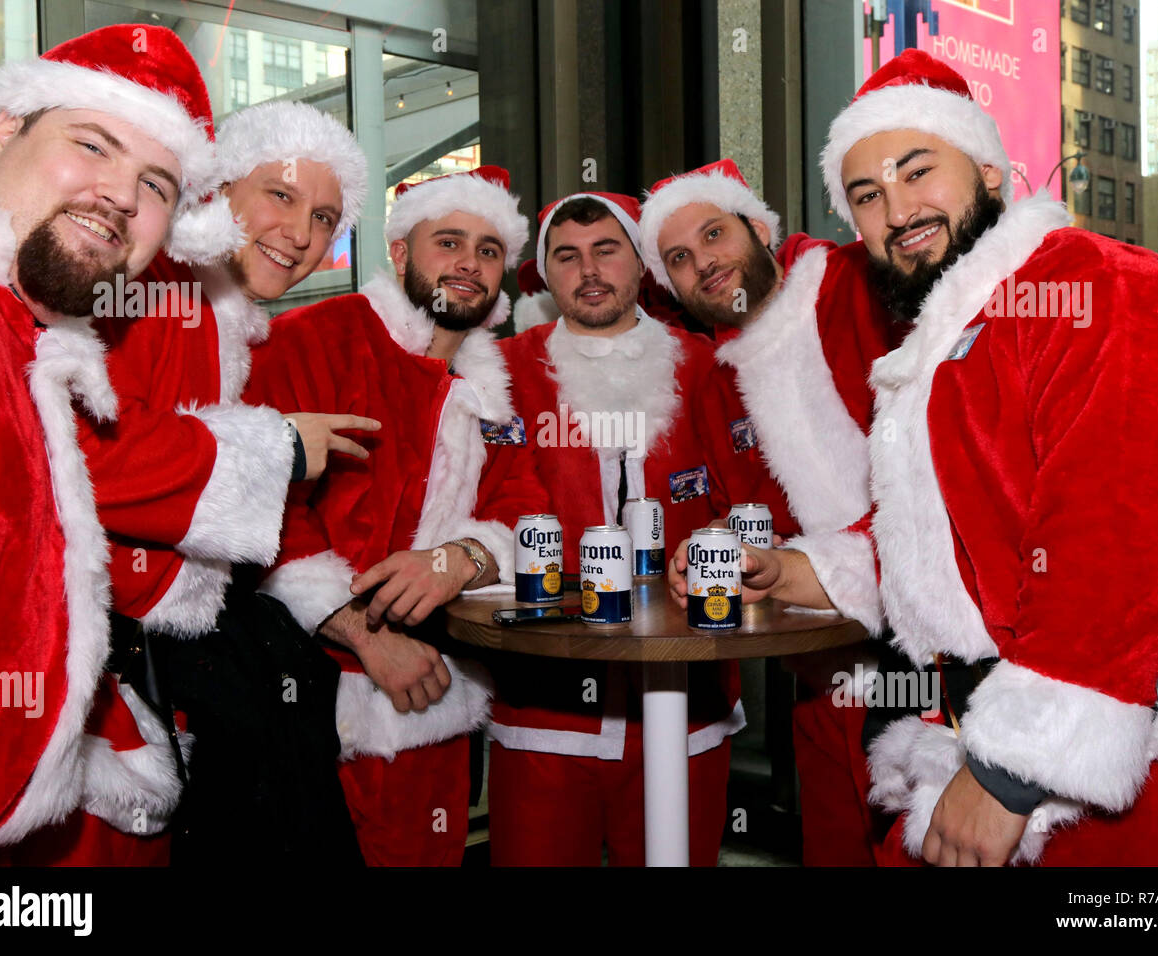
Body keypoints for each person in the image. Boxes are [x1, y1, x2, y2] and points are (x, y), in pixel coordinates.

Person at [679, 49, 1158, 866]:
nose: (897, 209)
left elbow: (1117, 537)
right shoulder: (950, 344)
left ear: (985, 167)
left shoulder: (1098, 285)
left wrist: (1014, 771)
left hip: (1126, 778)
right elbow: (953, 533)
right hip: (968, 743)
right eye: (867, 195)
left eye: (917, 172)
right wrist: (799, 571)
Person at [0, 24, 227, 863]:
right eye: (93, 145)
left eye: (155, 184)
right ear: (3, 134)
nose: (119, 196)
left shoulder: (20, 329)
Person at [248, 165, 545, 865]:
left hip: (438, 694)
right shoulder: (311, 338)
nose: (470, 262)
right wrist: (364, 634)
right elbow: (259, 506)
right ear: (403, 252)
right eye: (449, 242)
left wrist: (460, 560)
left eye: (489, 249)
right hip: (308, 695)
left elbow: (525, 503)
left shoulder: (491, 386)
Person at [641, 158, 894, 865]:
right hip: (820, 675)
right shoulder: (720, 384)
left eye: (715, 234)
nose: (705, 265)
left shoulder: (859, 288)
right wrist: (706, 551)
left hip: (942, 666)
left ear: (758, 227)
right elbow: (732, 512)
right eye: (680, 260)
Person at [485, 191, 743, 866]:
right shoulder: (501, 372)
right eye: (566, 257)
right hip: (543, 710)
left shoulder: (708, 366)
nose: (588, 270)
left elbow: (746, 503)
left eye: (607, 251)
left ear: (641, 264)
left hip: (688, 700)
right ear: (546, 275)